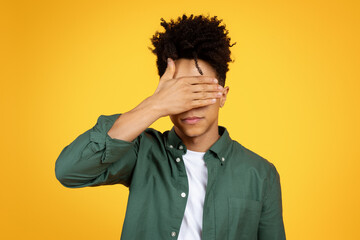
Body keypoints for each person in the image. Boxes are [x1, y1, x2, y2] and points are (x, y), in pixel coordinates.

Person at [55, 14, 286, 240]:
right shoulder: (141, 152)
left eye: (200, 92)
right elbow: (69, 171)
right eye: (180, 93)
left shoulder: (261, 174)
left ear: (223, 96)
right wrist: (154, 105)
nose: (190, 106)